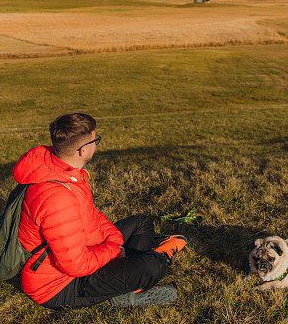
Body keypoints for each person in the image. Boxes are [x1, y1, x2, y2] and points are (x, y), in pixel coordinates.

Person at [12, 112, 186, 309]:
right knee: (155, 265)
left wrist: (114, 239)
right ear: (82, 150)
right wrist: (113, 250)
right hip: (60, 284)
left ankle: (129, 279)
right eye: (96, 140)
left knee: (141, 222)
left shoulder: (64, 171)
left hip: (84, 247)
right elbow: (74, 265)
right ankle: (138, 279)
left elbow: (91, 214)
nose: (96, 145)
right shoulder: (57, 197)